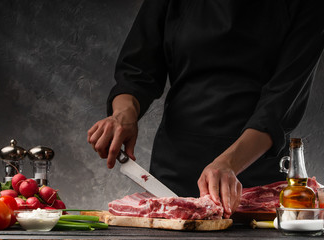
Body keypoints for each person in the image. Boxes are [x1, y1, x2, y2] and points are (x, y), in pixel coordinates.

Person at [88, 0, 324, 218]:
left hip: (252, 183)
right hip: (173, 176)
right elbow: (136, 71)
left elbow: (279, 104)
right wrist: (124, 114)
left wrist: (229, 164)